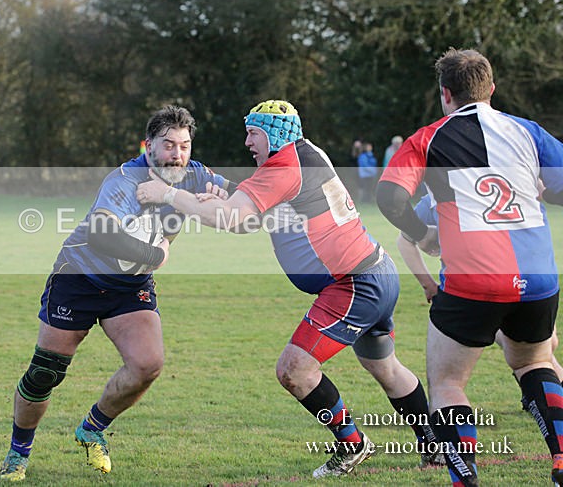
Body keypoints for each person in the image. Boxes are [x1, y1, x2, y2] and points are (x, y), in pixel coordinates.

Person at [136, 99, 440, 478]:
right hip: (375, 273)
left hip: (352, 284)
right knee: (386, 367)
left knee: (294, 370)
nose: (247, 142)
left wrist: (168, 195)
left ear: (272, 135)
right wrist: (222, 200)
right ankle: (436, 446)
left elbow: (233, 220)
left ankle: (352, 444)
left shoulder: (283, 166)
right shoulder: (306, 153)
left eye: (253, 133)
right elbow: (265, 214)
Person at [0, 105, 230, 481]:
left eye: (184, 145)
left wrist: (255, 195)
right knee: (45, 373)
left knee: (147, 364)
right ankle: (18, 453)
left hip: (129, 287)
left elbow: (242, 201)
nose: (178, 154)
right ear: (149, 145)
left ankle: (92, 428)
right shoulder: (124, 180)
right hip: (80, 279)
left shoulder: (195, 174)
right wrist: (156, 255)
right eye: (169, 145)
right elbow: (102, 234)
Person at [378, 48, 563, 486]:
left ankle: (466, 480)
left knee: (447, 383)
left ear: (445, 94)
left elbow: (389, 198)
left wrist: (423, 237)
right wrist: (540, 193)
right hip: (537, 277)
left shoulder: (427, 137)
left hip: (473, 279)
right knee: (535, 362)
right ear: (492, 89)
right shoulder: (527, 131)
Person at [396, 195, 563, 406]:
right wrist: (428, 284)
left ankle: (537, 394)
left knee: (448, 383)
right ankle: (538, 395)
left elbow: (403, 239)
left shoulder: (437, 196)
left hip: (486, 288)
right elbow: (405, 240)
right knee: (537, 358)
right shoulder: (436, 199)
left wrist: (428, 285)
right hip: (529, 283)